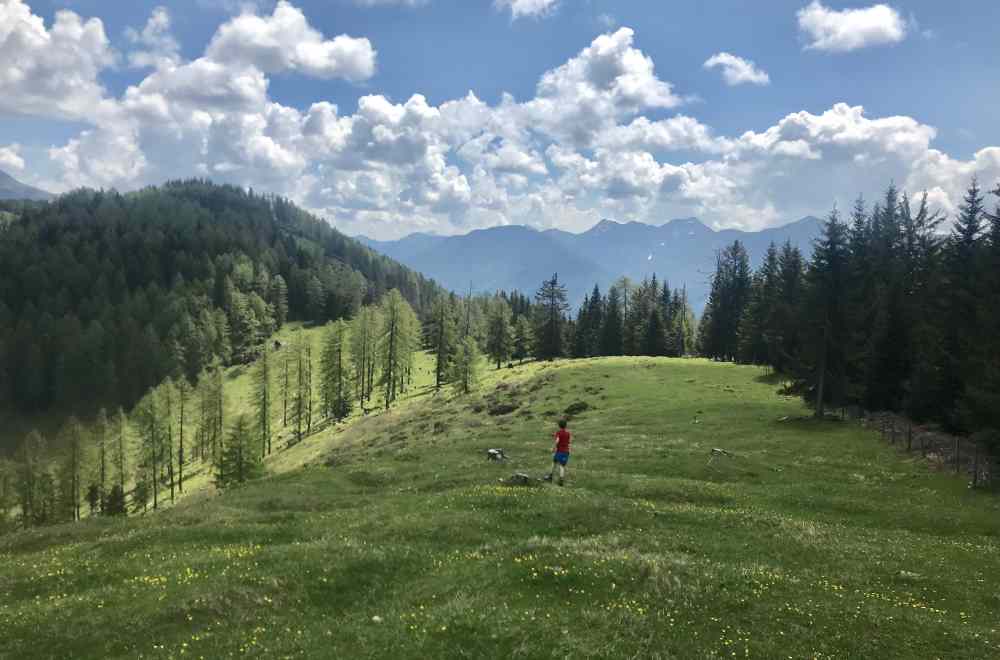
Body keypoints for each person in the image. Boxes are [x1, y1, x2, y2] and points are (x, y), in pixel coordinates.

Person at [544, 419, 571, 486]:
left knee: (554, 463)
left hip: (560, 451)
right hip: (566, 452)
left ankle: (550, 476)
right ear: (565, 426)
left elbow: (557, 441)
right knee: (562, 466)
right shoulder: (568, 433)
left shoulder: (559, 432)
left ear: (559, 425)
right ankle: (561, 480)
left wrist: (553, 448)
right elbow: (568, 441)